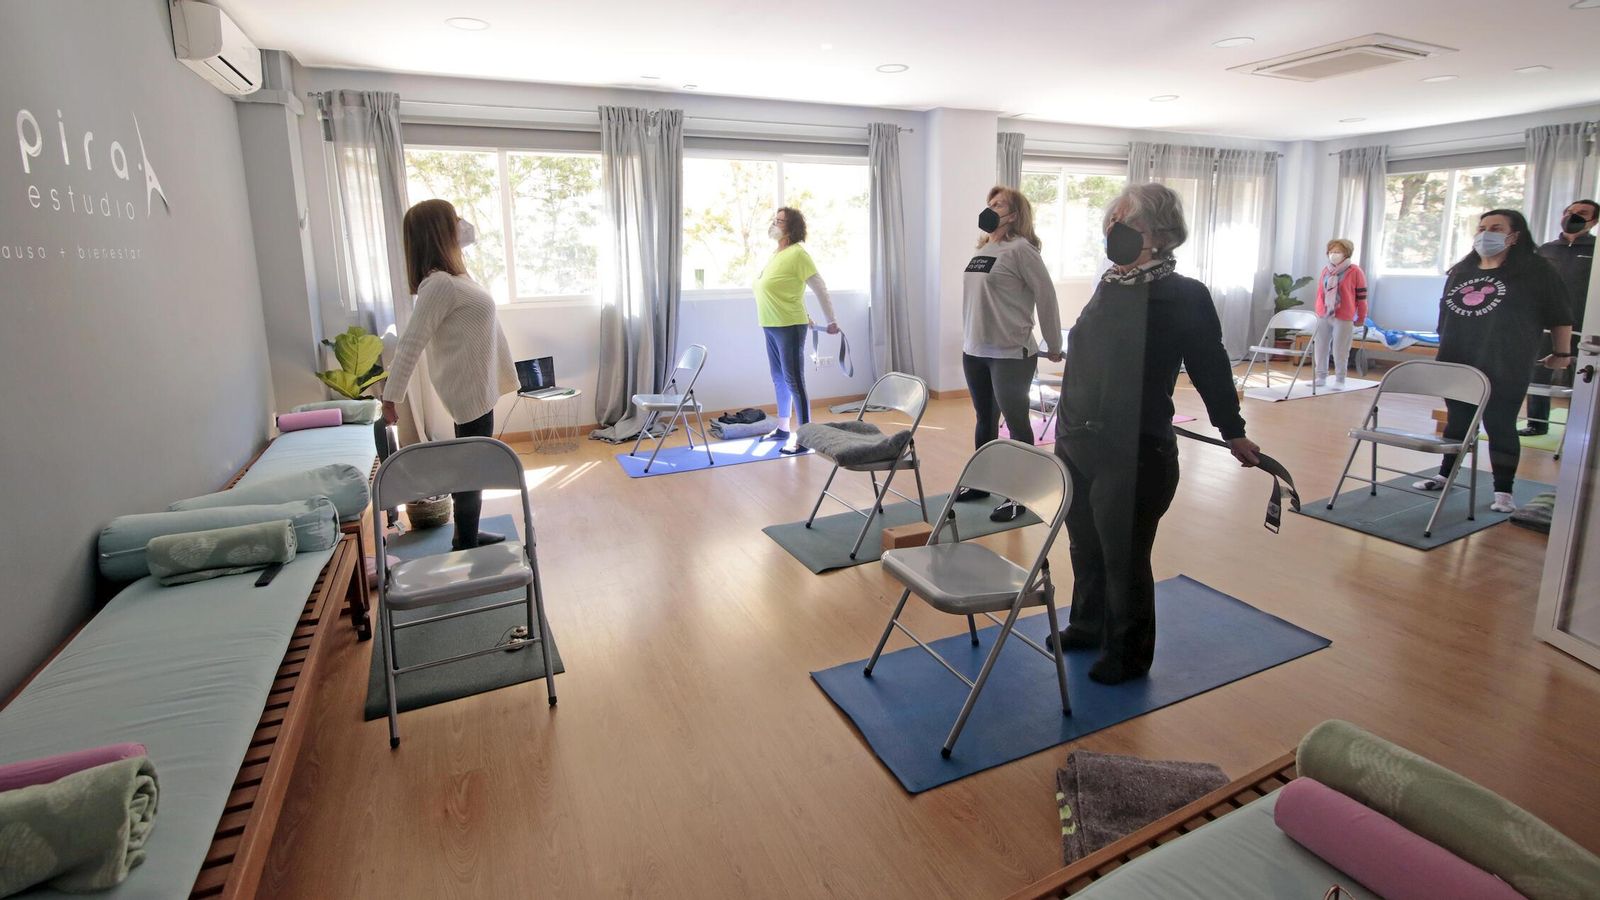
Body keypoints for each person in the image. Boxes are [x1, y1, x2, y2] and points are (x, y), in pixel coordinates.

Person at [1046, 183, 1262, 685]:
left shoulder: (1183, 295)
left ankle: (1129, 652)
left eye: (1126, 222)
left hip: (1136, 448)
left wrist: (1233, 430)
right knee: (1085, 543)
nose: (1112, 230)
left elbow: (1210, 366)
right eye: (1110, 220)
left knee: (1123, 553)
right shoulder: (1111, 283)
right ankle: (1088, 623)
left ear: (1160, 234)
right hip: (1079, 440)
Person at [381, 198, 518, 551]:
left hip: (476, 384)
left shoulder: (456, 277)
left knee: (470, 466)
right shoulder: (439, 284)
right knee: (472, 470)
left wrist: (453, 224)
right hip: (467, 390)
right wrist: (390, 398)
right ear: (440, 233)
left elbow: (471, 235)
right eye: (453, 220)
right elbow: (411, 342)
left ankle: (464, 535)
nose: (461, 224)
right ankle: (466, 542)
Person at [1415, 209, 1573, 512]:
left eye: (1496, 228)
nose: (1486, 233)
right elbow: (1444, 313)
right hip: (1458, 359)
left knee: (1500, 425)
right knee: (1457, 423)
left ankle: (1503, 491)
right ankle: (1444, 474)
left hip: (1505, 361)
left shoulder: (1538, 271)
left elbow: (1560, 315)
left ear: (1515, 235)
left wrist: (1562, 354)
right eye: (1482, 227)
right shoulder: (1463, 270)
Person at [958, 185, 1063, 523]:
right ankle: (981, 483)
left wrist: (1053, 343)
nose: (991, 207)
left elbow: (1046, 296)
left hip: (1010, 351)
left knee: (1017, 425)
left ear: (1014, 215)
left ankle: (1020, 495)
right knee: (984, 420)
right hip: (974, 349)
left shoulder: (1022, 250)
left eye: (999, 204)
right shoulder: (983, 249)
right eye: (990, 202)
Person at [753, 206, 837, 454]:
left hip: (789, 325)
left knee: (794, 380)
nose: (774, 223)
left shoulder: (799, 254)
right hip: (770, 323)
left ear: (792, 228)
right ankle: (782, 428)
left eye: (780, 221)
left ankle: (805, 438)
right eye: (775, 219)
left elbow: (819, 286)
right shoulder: (777, 253)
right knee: (778, 378)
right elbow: (786, 289)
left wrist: (831, 319)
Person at [1524, 199, 1596, 435]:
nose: (1573, 216)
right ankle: (1536, 423)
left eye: (1582, 213)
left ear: (1593, 220)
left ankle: (1579, 430)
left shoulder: (1595, 250)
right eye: (1569, 212)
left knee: (1583, 376)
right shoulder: (1546, 249)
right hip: (1544, 322)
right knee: (1537, 372)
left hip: (1583, 323)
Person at [1311, 238, 1368, 387]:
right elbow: (1320, 293)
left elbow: (1361, 297)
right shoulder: (1326, 270)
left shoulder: (1355, 271)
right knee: (1321, 346)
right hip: (1324, 314)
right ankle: (1321, 377)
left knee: (1340, 349)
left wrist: (1361, 317)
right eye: (1331, 252)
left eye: (1337, 252)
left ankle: (1340, 379)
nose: (1333, 254)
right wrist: (1318, 311)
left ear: (1346, 253)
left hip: (1343, 316)